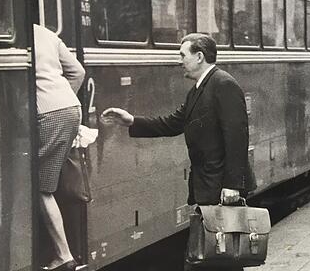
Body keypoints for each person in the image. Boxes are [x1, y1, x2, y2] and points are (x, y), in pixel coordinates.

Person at [102, 33, 254, 271]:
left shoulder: (223, 84)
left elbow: (237, 138)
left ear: (199, 56)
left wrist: (233, 185)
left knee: (221, 257)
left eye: (183, 55)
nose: (180, 60)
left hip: (219, 186)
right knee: (213, 256)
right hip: (206, 185)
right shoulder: (198, 89)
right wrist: (132, 120)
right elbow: (172, 123)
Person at [33, 24, 87, 271]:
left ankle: (63, 256)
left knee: (41, 187)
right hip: (71, 108)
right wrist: (65, 98)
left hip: (47, 112)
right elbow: (77, 71)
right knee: (52, 179)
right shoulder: (45, 32)